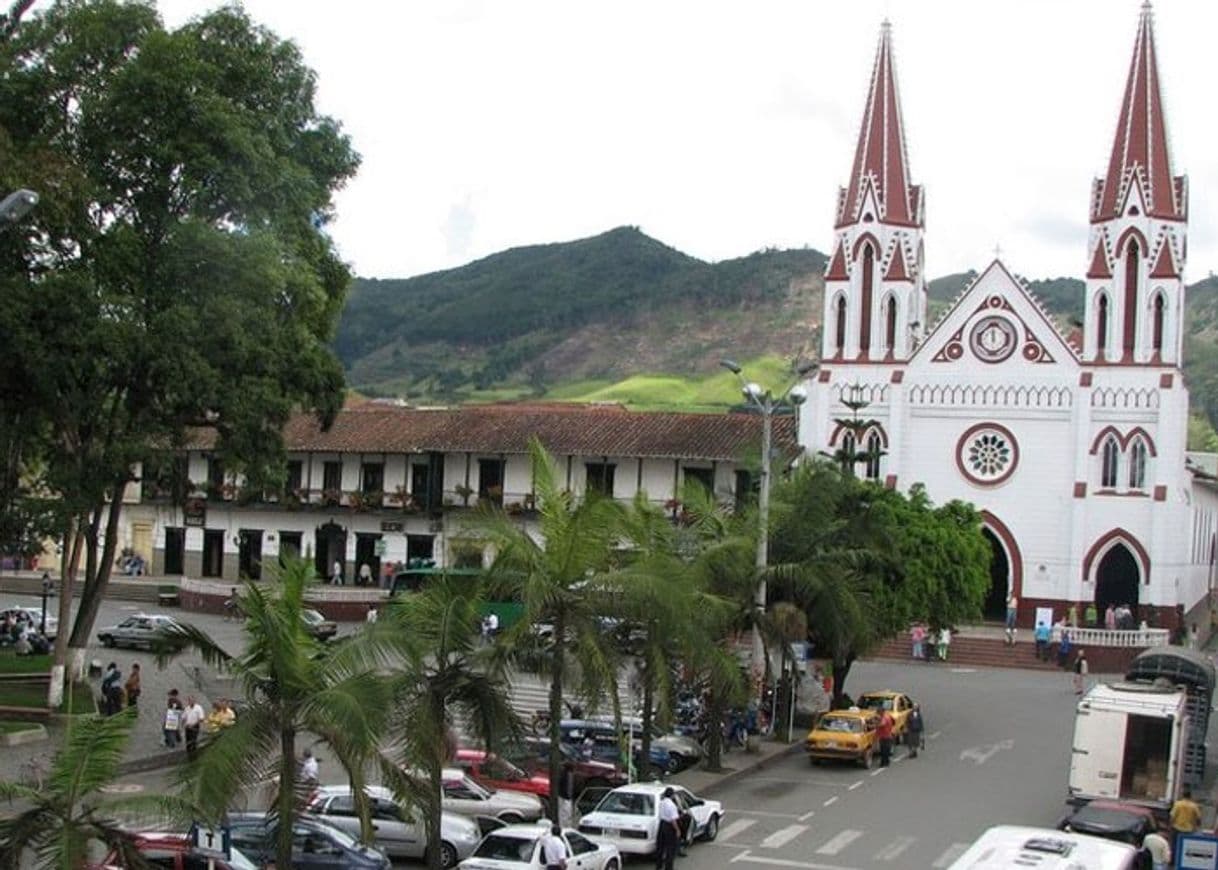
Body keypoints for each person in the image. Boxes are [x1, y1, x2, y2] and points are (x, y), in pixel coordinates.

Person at [1169, 787, 1202, 857]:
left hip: (1177, 828)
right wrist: (1197, 827)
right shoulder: (1194, 806)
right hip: (1189, 830)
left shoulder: (1178, 804)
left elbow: (1172, 816)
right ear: (1190, 796)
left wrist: (1170, 825)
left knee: (1174, 845)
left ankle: (1173, 860)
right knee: (1185, 846)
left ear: (1183, 795)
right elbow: (1199, 818)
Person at [656, 787, 681, 870]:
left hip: (662, 824)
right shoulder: (672, 805)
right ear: (672, 795)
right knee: (670, 848)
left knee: (660, 847)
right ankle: (668, 867)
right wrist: (677, 830)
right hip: (669, 826)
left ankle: (658, 866)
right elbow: (673, 820)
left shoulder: (662, 802)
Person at [182, 694, 206, 759]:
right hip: (187, 728)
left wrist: (193, 725)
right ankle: (189, 756)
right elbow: (183, 718)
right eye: (189, 700)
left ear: (194, 700)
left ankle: (194, 756)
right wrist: (183, 725)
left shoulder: (198, 708)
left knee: (193, 741)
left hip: (194, 727)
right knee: (188, 742)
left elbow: (201, 719)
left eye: (191, 700)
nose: (190, 702)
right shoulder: (187, 708)